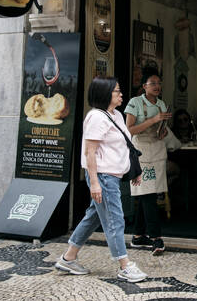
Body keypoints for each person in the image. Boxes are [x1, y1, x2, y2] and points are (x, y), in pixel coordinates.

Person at [55, 76, 147, 283]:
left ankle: (68, 258)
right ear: (105, 94)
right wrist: (95, 182)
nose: (121, 94)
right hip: (103, 177)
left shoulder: (116, 115)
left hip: (112, 175)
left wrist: (134, 170)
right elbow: (90, 153)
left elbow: (124, 146)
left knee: (94, 216)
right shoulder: (96, 117)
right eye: (116, 91)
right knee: (115, 220)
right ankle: (124, 266)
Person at [124, 68, 172, 255]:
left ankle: (137, 236)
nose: (157, 86)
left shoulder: (161, 104)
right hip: (141, 154)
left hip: (157, 152)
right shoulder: (135, 102)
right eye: (153, 83)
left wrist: (162, 130)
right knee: (148, 196)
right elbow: (130, 130)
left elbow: (161, 130)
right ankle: (156, 238)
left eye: (159, 83)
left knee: (149, 194)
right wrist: (154, 119)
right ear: (144, 86)